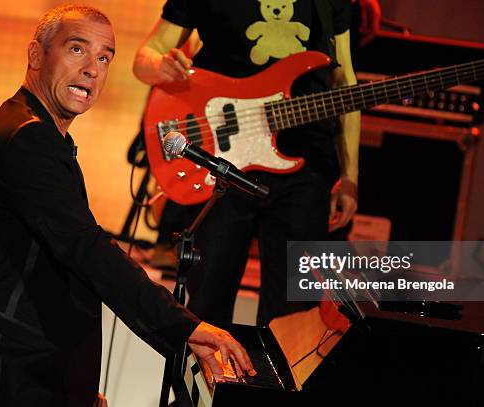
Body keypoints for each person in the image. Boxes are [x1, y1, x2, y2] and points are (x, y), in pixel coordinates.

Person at [0, 5, 254, 406]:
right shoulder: (27, 139)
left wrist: (71, 385)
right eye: (77, 50)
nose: (92, 70)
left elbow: (48, 272)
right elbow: (87, 251)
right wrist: (186, 328)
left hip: (3, 366)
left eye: (104, 58)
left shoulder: (39, 133)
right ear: (36, 55)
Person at [134, 0, 361, 326]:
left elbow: (345, 82)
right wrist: (161, 64)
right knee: (207, 303)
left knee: (294, 316)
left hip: (308, 165)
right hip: (223, 162)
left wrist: (350, 176)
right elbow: (145, 56)